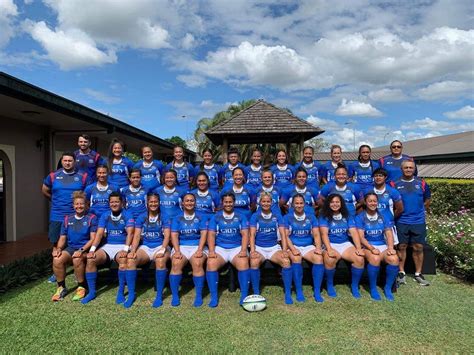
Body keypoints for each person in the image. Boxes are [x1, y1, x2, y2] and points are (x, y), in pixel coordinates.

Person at [42, 152, 90, 282]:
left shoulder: (82, 177)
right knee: (56, 243)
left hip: (76, 216)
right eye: (65, 160)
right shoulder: (53, 176)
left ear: (74, 162)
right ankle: (56, 271)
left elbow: (86, 195)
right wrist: (54, 199)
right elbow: (45, 189)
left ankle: (77, 270)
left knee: (76, 241)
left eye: (70, 160)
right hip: (57, 215)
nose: (67, 163)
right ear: (62, 162)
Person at [81, 192, 135, 304]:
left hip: (121, 246)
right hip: (108, 246)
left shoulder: (127, 214)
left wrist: (125, 249)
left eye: (116, 201)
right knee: (91, 259)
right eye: (112, 202)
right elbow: (99, 234)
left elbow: (130, 233)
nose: (114, 204)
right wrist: (92, 250)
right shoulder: (105, 215)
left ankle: (120, 292)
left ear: (121, 203)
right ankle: (92, 292)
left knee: (123, 260)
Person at [125, 193, 171, 308]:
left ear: (159, 203)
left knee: (160, 261)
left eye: (156, 202)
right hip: (146, 247)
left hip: (160, 246)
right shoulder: (142, 217)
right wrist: (133, 250)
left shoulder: (164, 217)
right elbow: (136, 236)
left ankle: (159, 296)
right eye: (151, 202)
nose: (153, 204)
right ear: (147, 203)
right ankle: (131, 294)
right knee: (131, 260)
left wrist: (163, 249)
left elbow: (167, 236)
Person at [390, 160, 431, 286]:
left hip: (418, 221)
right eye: (406, 167)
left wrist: (419, 210)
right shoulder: (394, 184)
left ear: (414, 169)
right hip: (401, 221)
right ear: (401, 169)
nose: (408, 169)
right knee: (401, 246)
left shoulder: (422, 183)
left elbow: (427, 199)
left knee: (418, 247)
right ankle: (401, 273)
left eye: (411, 168)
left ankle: (418, 274)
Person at [51, 191, 97, 302]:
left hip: (85, 249)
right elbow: (62, 238)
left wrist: (81, 250)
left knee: (77, 259)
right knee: (57, 259)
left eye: (81, 204)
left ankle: (81, 287)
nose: (79, 206)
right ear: (73, 205)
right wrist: (58, 249)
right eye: (77, 204)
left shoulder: (91, 218)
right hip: (71, 248)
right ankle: (61, 287)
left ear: (86, 205)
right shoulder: (67, 219)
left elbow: (93, 239)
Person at [206, 193, 250, 307]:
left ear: (234, 202)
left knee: (244, 262)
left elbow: (245, 235)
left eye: (230, 202)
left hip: (237, 248)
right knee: (211, 263)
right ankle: (214, 297)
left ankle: (244, 296)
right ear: (222, 203)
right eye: (226, 202)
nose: (228, 204)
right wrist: (211, 251)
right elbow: (211, 235)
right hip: (221, 248)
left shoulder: (241, 216)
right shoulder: (216, 217)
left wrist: (244, 250)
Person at [249, 192, 293, 304]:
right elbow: (252, 235)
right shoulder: (255, 216)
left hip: (273, 247)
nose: (266, 203)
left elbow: (283, 235)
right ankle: (256, 293)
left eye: (268, 201)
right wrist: (253, 251)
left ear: (272, 202)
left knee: (286, 261)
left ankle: (287, 293)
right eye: (263, 201)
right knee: (254, 262)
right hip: (259, 247)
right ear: (260, 202)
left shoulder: (277, 216)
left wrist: (284, 250)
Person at [319, 194, 365, 298]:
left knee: (359, 258)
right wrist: (329, 249)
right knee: (330, 259)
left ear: (341, 203)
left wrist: (358, 248)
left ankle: (354, 286)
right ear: (328, 203)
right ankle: (330, 285)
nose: (335, 204)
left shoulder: (347, 215)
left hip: (345, 244)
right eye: (332, 202)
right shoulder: (324, 216)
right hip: (330, 244)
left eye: (337, 202)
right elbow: (324, 234)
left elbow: (354, 232)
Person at [355, 193, 399, 301]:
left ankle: (387, 288)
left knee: (394, 259)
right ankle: (373, 288)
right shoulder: (360, 217)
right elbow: (361, 238)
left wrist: (390, 248)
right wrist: (371, 248)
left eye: (375, 201)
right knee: (375, 259)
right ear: (365, 202)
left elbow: (389, 234)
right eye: (370, 201)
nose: (373, 203)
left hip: (382, 245)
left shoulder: (383, 217)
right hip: (367, 246)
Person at [283, 194, 325, 303]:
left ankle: (316, 291)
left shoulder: (311, 217)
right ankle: (299, 290)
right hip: (293, 246)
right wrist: (292, 249)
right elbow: (285, 236)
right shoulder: (287, 217)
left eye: (301, 203)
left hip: (307, 246)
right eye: (296, 203)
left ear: (305, 204)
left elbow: (316, 235)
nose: (299, 205)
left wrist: (318, 248)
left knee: (319, 258)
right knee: (296, 258)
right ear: (292, 205)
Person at [169, 193, 208, 307]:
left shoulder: (201, 217)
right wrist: (176, 251)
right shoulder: (177, 218)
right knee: (176, 263)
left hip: (198, 245)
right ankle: (175, 295)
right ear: (182, 203)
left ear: (195, 203)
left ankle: (199, 295)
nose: (189, 203)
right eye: (187, 201)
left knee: (197, 263)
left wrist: (200, 250)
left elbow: (204, 234)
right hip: (181, 246)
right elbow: (174, 235)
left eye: (191, 201)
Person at [364, 168, 403, 244]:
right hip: (371, 226)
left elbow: (400, 209)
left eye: (380, 176)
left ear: (385, 177)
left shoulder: (392, 191)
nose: (378, 178)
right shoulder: (367, 191)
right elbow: (363, 206)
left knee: (391, 250)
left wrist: (389, 218)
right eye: (376, 176)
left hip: (388, 226)